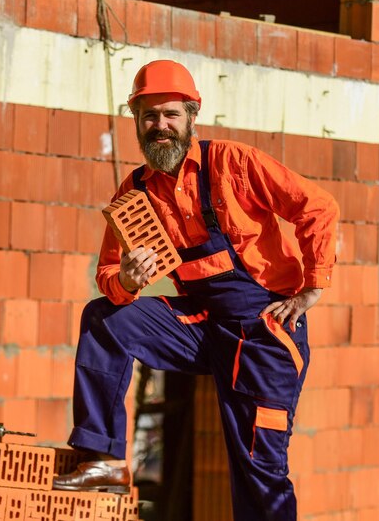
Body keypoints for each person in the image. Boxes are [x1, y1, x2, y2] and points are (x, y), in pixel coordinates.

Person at [53, 59, 339, 520]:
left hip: (265, 333)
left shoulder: (233, 163)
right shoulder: (135, 193)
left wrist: (312, 287)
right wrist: (126, 280)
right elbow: (108, 274)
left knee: (258, 468)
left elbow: (318, 208)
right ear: (136, 121)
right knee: (104, 319)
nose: (159, 126)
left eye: (170, 114)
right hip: (202, 324)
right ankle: (103, 458)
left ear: (192, 115)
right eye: (149, 116)